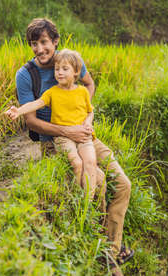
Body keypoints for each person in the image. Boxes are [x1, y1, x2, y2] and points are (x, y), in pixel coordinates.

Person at [9, 18, 133, 269]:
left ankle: (111, 250)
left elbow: (89, 84)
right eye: (34, 44)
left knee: (123, 184)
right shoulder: (26, 75)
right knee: (97, 180)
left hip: (85, 136)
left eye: (44, 42)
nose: (39, 49)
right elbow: (31, 121)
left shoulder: (70, 61)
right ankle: (97, 246)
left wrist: (81, 115)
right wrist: (68, 129)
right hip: (55, 142)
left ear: (55, 41)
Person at [6, 49, 106, 203]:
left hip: (83, 134)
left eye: (65, 69)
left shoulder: (82, 92)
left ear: (76, 72)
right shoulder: (52, 92)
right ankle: (77, 200)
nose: (59, 72)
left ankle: (88, 204)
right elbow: (36, 103)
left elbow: (89, 112)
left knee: (91, 162)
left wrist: (88, 122)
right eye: (57, 69)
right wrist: (18, 111)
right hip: (63, 137)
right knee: (77, 163)